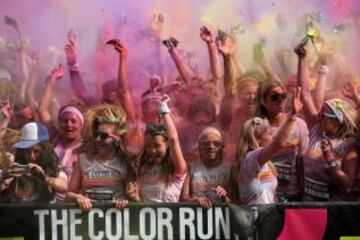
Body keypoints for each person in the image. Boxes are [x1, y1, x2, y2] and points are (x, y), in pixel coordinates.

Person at [295, 44, 357, 201]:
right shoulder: (317, 128)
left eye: (324, 114)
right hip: (308, 206)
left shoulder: (349, 146)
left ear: (338, 122)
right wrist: (302, 59)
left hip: (333, 213)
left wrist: (330, 158)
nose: (319, 115)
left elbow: (347, 186)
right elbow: (305, 95)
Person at [229, 90, 303, 205]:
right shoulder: (250, 159)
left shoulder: (264, 161)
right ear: (258, 138)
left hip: (268, 217)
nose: (273, 135)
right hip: (255, 220)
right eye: (269, 133)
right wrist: (292, 116)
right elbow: (280, 143)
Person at [67, 105, 135, 210]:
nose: (98, 139)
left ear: (117, 139)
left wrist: (126, 200)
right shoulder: (83, 159)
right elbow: (69, 195)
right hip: (89, 219)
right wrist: (78, 197)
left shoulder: (125, 162)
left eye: (103, 136)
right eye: (96, 134)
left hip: (116, 219)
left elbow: (133, 196)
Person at [126, 96, 187, 202]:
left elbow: (173, 139)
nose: (152, 150)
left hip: (171, 218)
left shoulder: (176, 168)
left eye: (157, 146)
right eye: (148, 146)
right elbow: (143, 203)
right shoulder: (143, 169)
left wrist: (164, 110)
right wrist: (135, 198)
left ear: (167, 144)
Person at [256, 81, 309, 201]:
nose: (280, 100)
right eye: (274, 97)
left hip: (292, 193)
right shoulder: (257, 126)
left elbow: (301, 162)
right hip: (266, 195)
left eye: (283, 96)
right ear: (264, 101)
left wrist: (303, 194)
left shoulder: (298, 124)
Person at [0, 122, 67, 203]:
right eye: (27, 151)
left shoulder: (54, 170)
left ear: (45, 151)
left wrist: (44, 178)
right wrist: (2, 177)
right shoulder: (15, 169)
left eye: (36, 151)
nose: (31, 156)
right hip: (18, 214)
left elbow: (64, 187)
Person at [181, 127, 230, 208]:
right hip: (197, 216)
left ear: (222, 147)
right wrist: (195, 200)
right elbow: (183, 198)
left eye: (216, 144)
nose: (211, 147)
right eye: (205, 144)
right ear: (199, 147)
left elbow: (236, 202)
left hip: (222, 218)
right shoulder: (191, 168)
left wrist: (225, 196)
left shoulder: (229, 169)